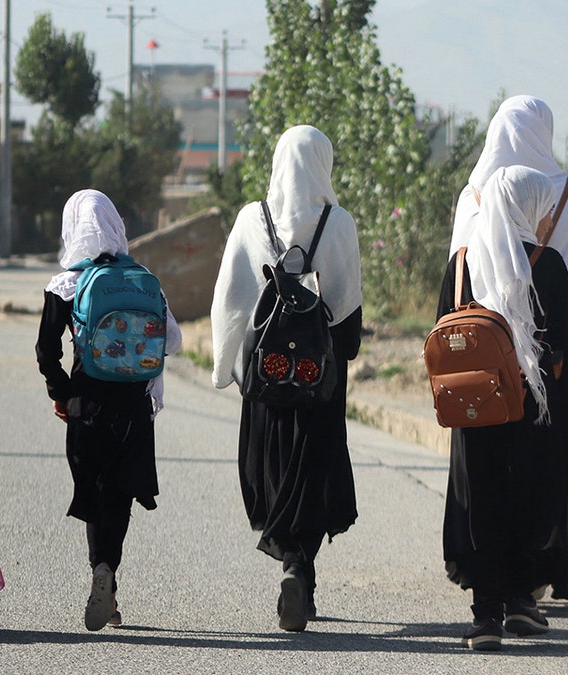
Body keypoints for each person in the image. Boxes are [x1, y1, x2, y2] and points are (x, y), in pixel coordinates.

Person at [451, 94, 568, 601]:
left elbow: (458, 283)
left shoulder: (472, 196)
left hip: (480, 364)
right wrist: (546, 329)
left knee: (480, 468)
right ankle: (533, 576)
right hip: (550, 364)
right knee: (541, 465)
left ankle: (483, 577)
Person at [210, 125, 363, 633]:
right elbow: (348, 319)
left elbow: (230, 298)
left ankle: (295, 571)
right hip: (319, 381)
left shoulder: (252, 219)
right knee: (314, 478)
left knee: (276, 474)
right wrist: (334, 364)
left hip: (268, 382)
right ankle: (302, 571)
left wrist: (223, 366)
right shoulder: (338, 223)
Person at [440, 165, 568, 651]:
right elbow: (565, 338)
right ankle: (522, 598)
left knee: (481, 499)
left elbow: (444, 325)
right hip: (531, 408)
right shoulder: (550, 263)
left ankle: (485, 619)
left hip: (474, 409)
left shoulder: (461, 263)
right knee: (527, 494)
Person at [35, 189, 183, 631]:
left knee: (96, 496)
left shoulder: (66, 283)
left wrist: (60, 393)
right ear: (116, 224)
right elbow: (172, 341)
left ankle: (101, 574)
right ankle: (109, 575)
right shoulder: (141, 276)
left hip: (88, 406)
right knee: (119, 498)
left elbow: (46, 350)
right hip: (134, 407)